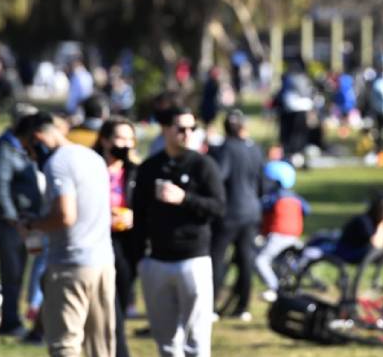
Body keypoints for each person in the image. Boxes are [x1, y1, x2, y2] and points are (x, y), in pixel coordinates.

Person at [17, 111, 116, 357]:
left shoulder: (58, 163)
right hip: (102, 261)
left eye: (28, 148)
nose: (30, 156)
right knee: (100, 346)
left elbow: (65, 216)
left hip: (71, 265)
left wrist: (33, 225)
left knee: (65, 344)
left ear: (39, 137)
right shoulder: (93, 157)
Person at [133, 106, 225, 357]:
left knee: (196, 341)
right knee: (167, 342)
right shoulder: (151, 168)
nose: (187, 134)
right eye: (181, 128)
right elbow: (138, 213)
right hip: (157, 260)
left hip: (193, 258)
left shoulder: (203, 166)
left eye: (192, 128)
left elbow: (218, 207)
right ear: (165, 130)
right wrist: (139, 257)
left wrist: (185, 199)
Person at [0, 104, 42, 337]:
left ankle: (12, 318)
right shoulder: (5, 149)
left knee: (18, 272)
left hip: (22, 221)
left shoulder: (21, 147)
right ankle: (9, 321)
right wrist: (13, 220)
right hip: (9, 224)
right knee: (11, 272)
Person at [211, 109, 265, 320]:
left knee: (216, 259)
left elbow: (220, 176)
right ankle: (243, 306)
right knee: (245, 260)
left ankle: (212, 306)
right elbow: (261, 183)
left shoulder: (225, 149)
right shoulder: (255, 150)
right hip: (252, 211)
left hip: (229, 213)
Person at [94, 117, 139, 357]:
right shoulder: (92, 168)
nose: (126, 144)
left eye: (130, 139)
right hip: (98, 241)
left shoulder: (135, 171)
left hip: (126, 244)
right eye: (120, 138)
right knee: (106, 304)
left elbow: (144, 207)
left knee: (120, 299)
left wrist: (135, 216)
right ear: (105, 140)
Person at [255, 160, 310, 303]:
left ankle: (273, 287)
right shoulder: (295, 197)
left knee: (260, 260)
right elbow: (307, 209)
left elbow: (261, 209)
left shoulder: (273, 198)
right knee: (284, 263)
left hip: (278, 235)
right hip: (294, 235)